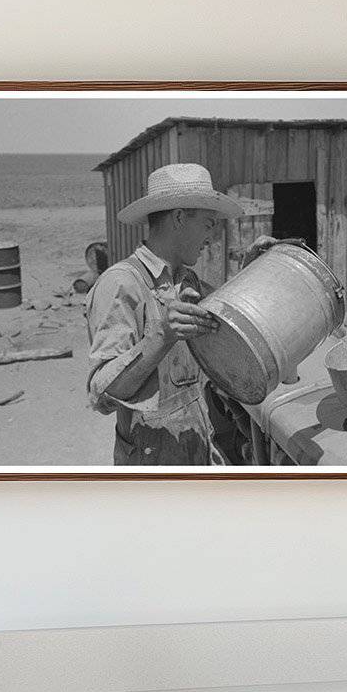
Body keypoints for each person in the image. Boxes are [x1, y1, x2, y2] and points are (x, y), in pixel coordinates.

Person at [85, 163, 247, 466]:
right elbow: (101, 395)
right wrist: (161, 336)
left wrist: (256, 270)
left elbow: (231, 319)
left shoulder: (189, 282)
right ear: (179, 218)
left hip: (197, 451)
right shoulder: (122, 284)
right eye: (209, 223)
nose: (212, 237)